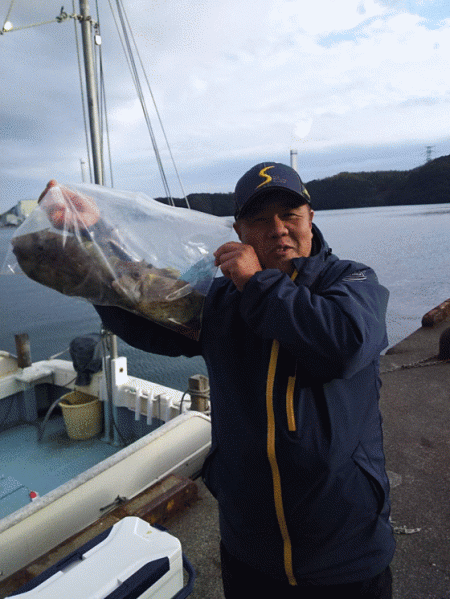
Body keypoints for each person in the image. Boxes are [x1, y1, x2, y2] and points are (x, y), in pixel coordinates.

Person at [44, 163, 395, 597]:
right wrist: (91, 235)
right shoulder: (220, 301)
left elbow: (344, 343)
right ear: (238, 231)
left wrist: (258, 283)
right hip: (250, 547)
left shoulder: (352, 280)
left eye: (290, 215)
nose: (279, 229)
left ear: (311, 218)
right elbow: (145, 310)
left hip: (345, 547)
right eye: (260, 220)